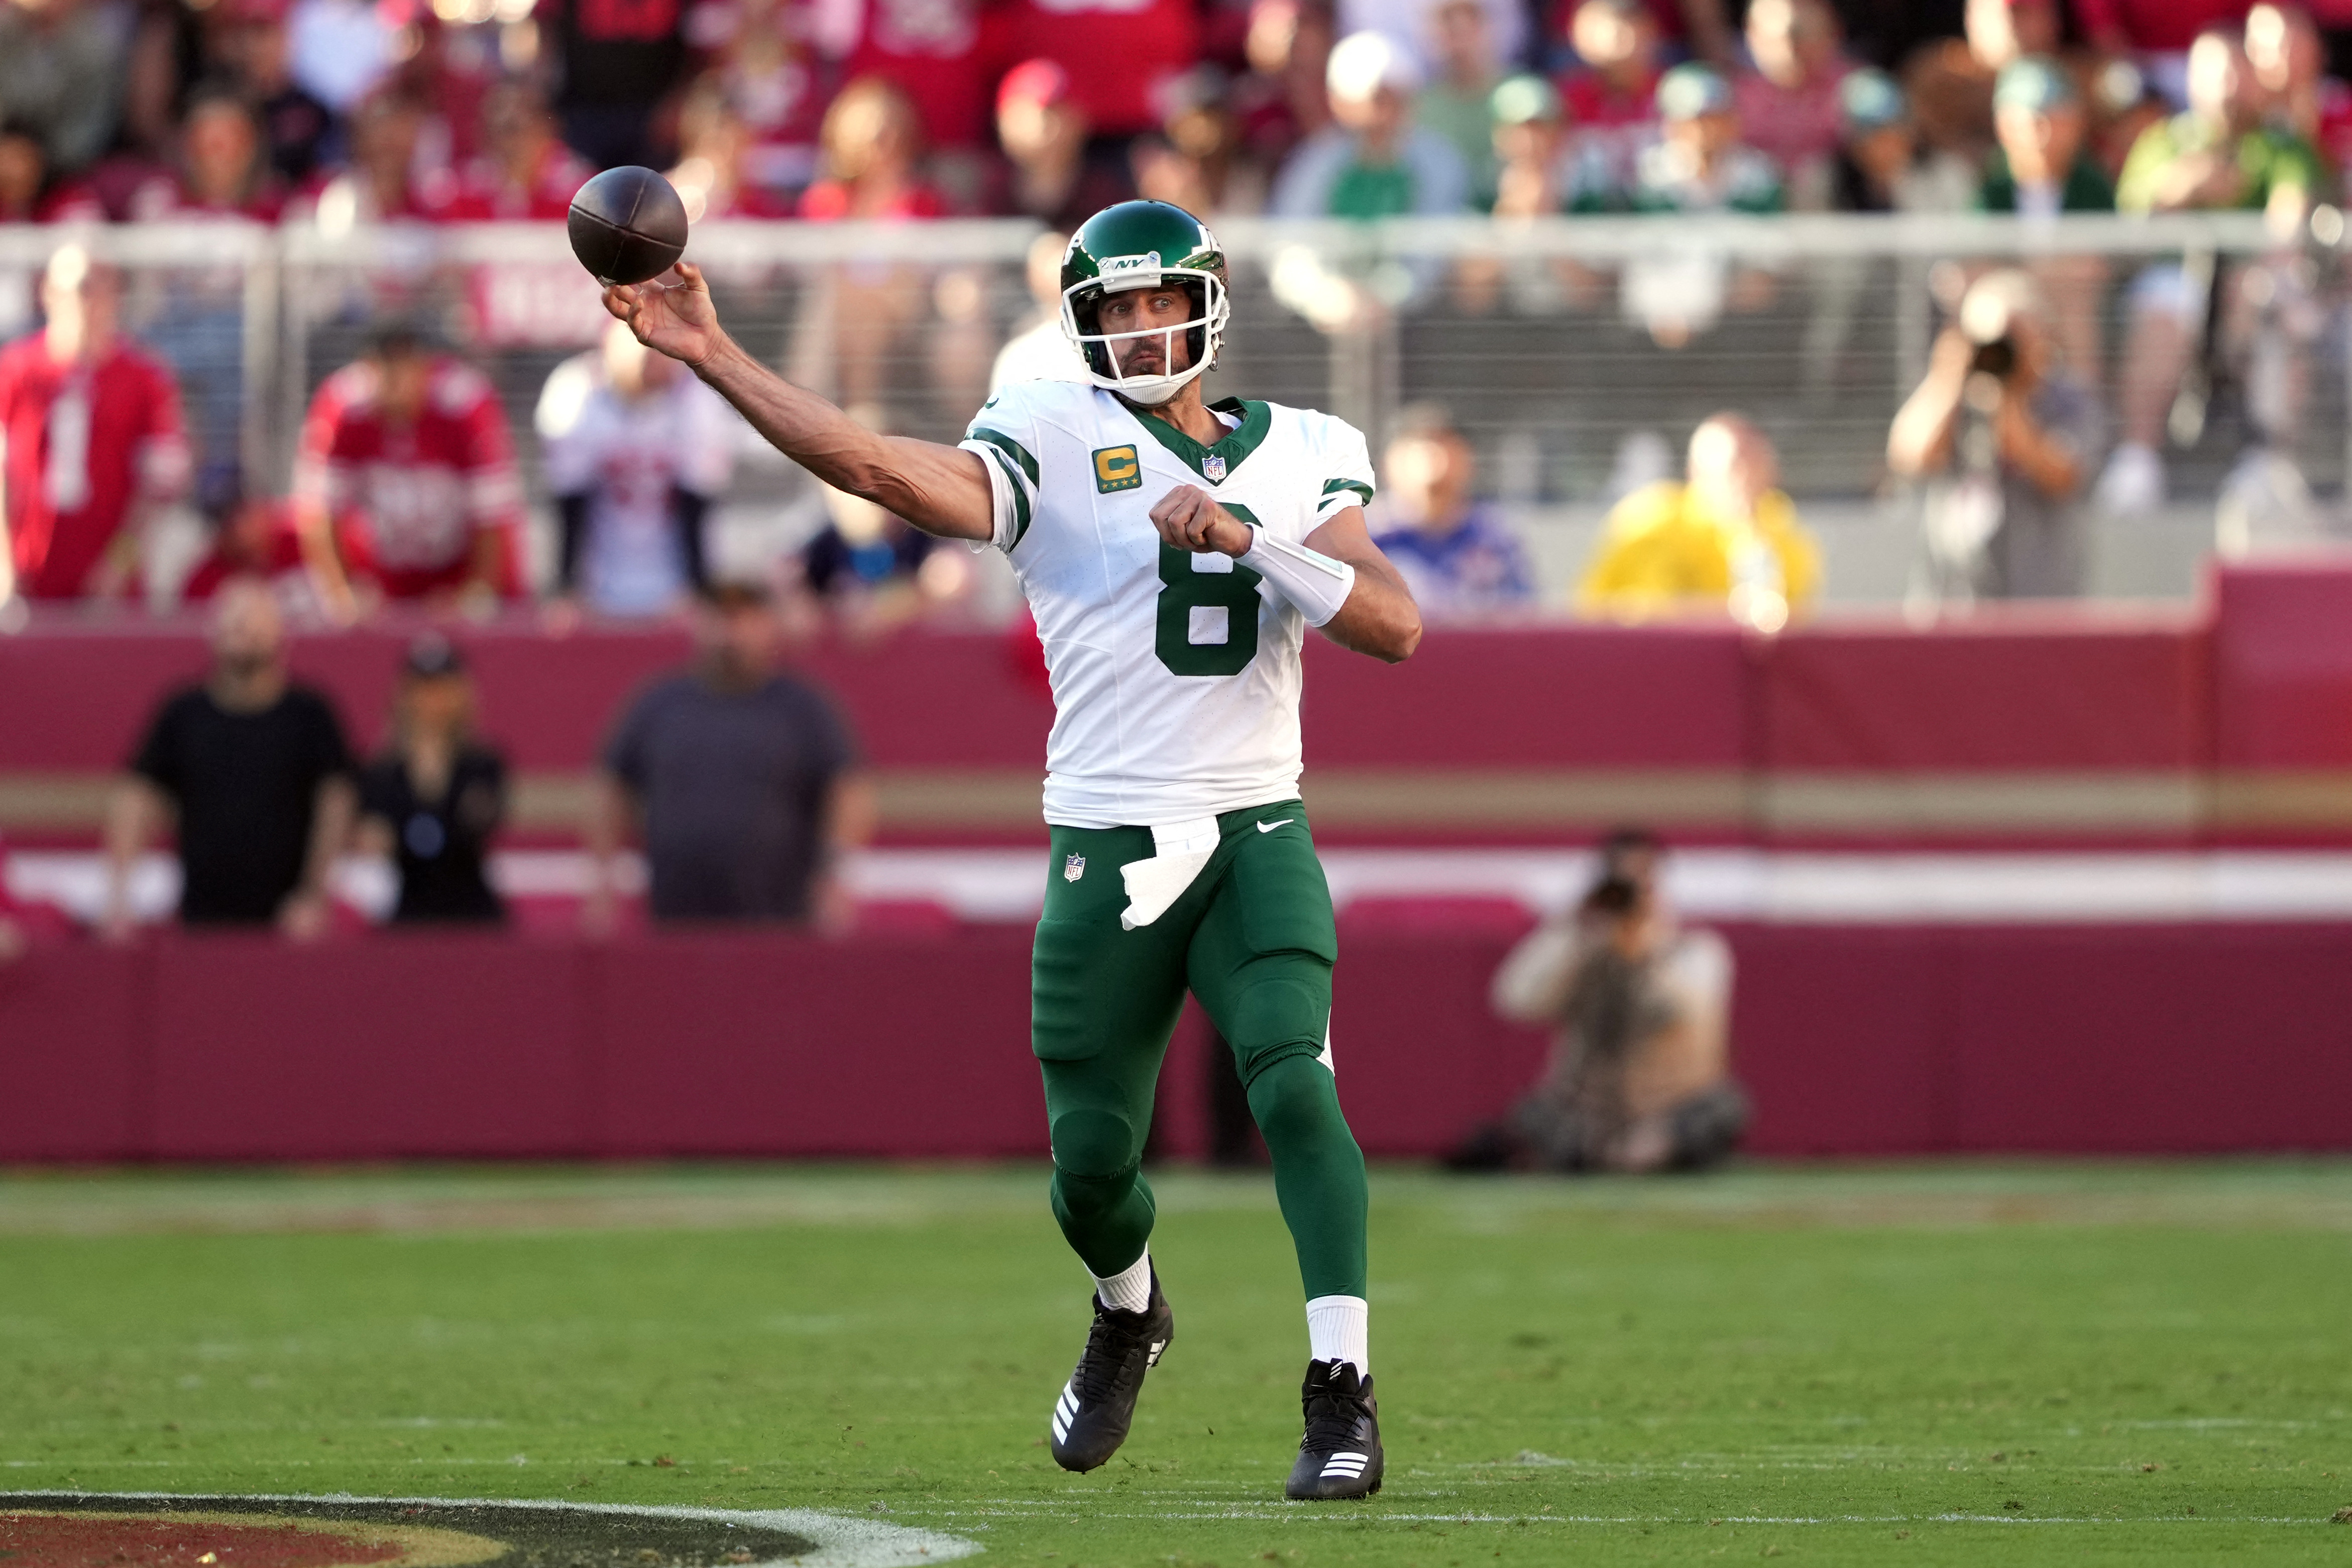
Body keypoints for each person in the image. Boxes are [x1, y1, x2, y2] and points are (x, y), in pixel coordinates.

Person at [600, 197, 1422, 1497]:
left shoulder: (1306, 446)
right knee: (1089, 1171)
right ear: (1081, 324)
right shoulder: (1048, 427)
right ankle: (1129, 1307)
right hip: (1104, 843)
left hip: (1254, 829)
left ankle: (1340, 1394)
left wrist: (1245, 535)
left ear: (1204, 302)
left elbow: (1392, 624)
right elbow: (877, 467)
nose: (1143, 327)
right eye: (1116, 307)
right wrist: (713, 354)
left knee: (1293, 1088)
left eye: (1161, 300)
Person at [2099, 29, 2320, 515]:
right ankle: (2137, 461)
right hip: (2174, 289)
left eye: (2236, 73)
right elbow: (2131, 227)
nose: (2226, 87)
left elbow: (2291, 218)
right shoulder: (2164, 142)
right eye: (2214, 74)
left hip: (2248, 293)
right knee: (2165, 302)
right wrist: (2187, 188)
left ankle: (2267, 459)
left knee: (2271, 298)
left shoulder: (2281, 145)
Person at [1452, 828, 1747, 1173]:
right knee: (1530, 1113)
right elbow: (1515, 1000)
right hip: (1587, 1112)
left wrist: (1642, 948)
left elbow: (1679, 1014)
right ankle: (1592, 1153)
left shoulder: (1696, 950)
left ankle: (1645, 1152)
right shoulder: (1581, 947)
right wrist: (1573, 937)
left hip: (1666, 1111)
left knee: (1724, 1108)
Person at [588, 578, 873, 928]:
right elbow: (613, 789)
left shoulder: (801, 708)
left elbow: (846, 791)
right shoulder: (660, 705)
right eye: (721, 619)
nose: (732, 633)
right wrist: (603, 880)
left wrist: (833, 876)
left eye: (745, 620)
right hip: (677, 909)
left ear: (769, 627)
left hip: (779, 911)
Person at [104, 577, 356, 939]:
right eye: (234, 623)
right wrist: (119, 896)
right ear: (213, 634)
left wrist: (314, 894)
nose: (244, 632)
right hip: (202, 919)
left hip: (290, 926)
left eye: (254, 624)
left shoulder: (309, 714)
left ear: (280, 635)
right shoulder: (183, 713)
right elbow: (135, 795)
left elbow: (336, 801)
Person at [1888, 269, 2103, 602]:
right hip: (1952, 607)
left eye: (2014, 336)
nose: (2000, 349)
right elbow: (1909, 455)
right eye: (1989, 338)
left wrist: (2010, 398)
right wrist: (1949, 380)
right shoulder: (1952, 394)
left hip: (2042, 609)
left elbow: (2063, 474)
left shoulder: (2067, 400)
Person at [290, 320, 524, 619]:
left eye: (404, 369)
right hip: (380, 581)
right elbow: (317, 512)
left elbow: (495, 514)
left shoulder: (465, 403)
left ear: (426, 367)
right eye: (384, 371)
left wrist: (474, 593)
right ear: (367, 369)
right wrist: (342, 592)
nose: (395, 385)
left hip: (459, 569)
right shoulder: (342, 406)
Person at [0, 247, 192, 603]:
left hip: (108, 588)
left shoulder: (145, 379)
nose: (92, 301)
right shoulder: (14, 372)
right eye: (82, 288)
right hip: (26, 579)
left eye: (106, 288)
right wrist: (5, 565)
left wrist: (118, 565)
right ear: (49, 293)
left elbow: (159, 488)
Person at [537, 320, 738, 621]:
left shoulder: (696, 401)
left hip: (675, 591)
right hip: (599, 587)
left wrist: (699, 589)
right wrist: (566, 588)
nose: (650, 356)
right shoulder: (576, 391)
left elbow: (698, 501)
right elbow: (570, 504)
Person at [1578, 413, 1819, 628]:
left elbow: (1792, 621)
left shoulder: (1783, 532)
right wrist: (1737, 614)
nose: (1745, 480)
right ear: (1695, 471)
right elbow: (1639, 617)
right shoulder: (1655, 520)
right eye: (1735, 466)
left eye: (1757, 465)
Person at [355, 633, 506, 924]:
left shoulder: (481, 764)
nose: (432, 702)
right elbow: (373, 838)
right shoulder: (383, 771)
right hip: (408, 909)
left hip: (471, 909)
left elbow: (481, 819)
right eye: (422, 690)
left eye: (442, 690)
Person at [1270, 30, 1471, 219]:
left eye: (1389, 97)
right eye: (1375, 99)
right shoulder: (1315, 162)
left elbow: (1439, 235)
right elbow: (1294, 233)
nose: (1382, 112)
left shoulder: (1440, 160)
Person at [1369, 406, 1534, 619]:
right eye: (1420, 450)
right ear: (1389, 464)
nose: (1436, 465)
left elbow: (1524, 619)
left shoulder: (1496, 540)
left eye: (1448, 450)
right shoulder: (1362, 536)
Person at [1732, 0, 1850, 209]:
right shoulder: (1734, 99)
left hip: (1839, 209)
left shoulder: (1854, 90)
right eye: (1785, 36)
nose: (1795, 48)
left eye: (1805, 35)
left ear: (1832, 34)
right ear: (1753, 35)